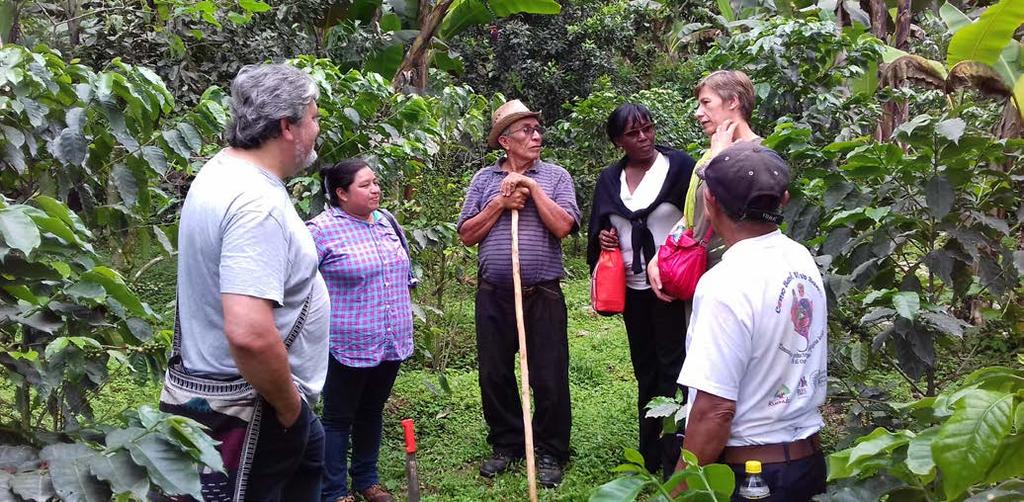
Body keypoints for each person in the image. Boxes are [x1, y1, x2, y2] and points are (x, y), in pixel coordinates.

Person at [170, 63, 329, 500]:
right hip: (260, 409)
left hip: (231, 398)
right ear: (287, 126)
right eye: (313, 117)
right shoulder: (255, 203)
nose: (317, 128)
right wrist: (290, 410)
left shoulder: (218, 173)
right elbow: (249, 332)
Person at [674, 142, 828, 501]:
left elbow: (715, 410)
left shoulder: (725, 283)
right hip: (808, 466)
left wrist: (678, 490)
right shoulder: (801, 259)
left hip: (753, 479)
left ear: (709, 202)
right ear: (784, 200)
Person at [457, 99, 580, 487]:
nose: (537, 136)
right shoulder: (482, 180)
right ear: (505, 142)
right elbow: (467, 234)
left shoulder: (556, 177)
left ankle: (550, 449)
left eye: (537, 129)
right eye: (527, 131)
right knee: (494, 373)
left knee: (548, 375)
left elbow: (563, 227)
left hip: (540, 293)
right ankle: (507, 443)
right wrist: (500, 203)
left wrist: (530, 187)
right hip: (493, 293)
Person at [585, 103, 695, 477]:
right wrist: (604, 237)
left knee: (673, 369)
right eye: (633, 133)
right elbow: (600, 225)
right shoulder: (608, 179)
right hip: (632, 290)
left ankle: (674, 457)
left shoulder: (680, 167)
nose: (644, 138)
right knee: (645, 370)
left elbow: (698, 221)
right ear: (618, 141)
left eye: (647, 129)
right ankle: (649, 453)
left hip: (670, 288)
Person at [307, 159, 414, 502]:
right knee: (338, 417)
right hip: (345, 343)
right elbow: (295, 284)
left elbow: (403, 275)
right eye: (365, 185)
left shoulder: (386, 222)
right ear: (341, 193)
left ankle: (367, 480)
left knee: (372, 410)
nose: (376, 189)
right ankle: (335, 491)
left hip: (389, 340)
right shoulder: (320, 231)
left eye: (376, 182)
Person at [647, 70, 761, 300]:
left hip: (734, 280)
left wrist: (719, 160)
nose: (699, 113)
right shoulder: (709, 154)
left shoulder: (759, 155)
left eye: (706, 103)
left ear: (733, 101)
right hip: (700, 271)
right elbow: (693, 214)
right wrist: (659, 255)